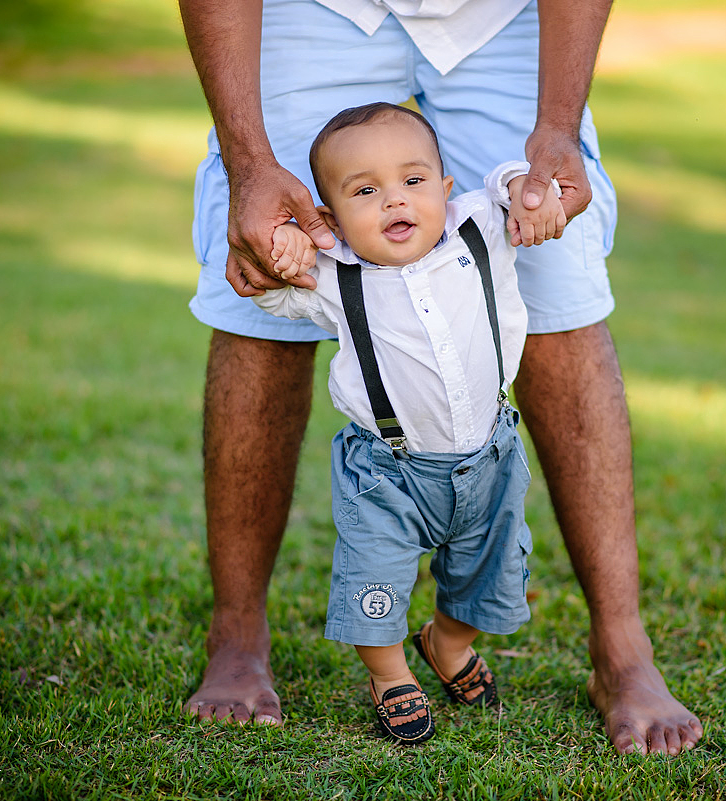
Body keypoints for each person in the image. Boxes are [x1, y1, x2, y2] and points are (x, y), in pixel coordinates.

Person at [178, 0, 704, 756]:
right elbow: (273, 268)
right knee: (264, 273)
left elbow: (522, 197)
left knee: (558, 276)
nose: (393, 201)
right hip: (314, 10)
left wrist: (557, 126)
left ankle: (623, 649)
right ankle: (236, 635)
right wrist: (250, 161)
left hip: (501, 16)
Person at [252, 102, 564, 743]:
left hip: (490, 456)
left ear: (446, 191)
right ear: (331, 220)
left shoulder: (478, 229)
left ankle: (447, 644)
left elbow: (515, 180)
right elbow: (271, 288)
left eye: (413, 181)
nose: (394, 201)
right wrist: (280, 251)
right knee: (375, 574)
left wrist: (524, 192)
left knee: (490, 571)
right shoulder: (336, 275)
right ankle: (391, 674)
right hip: (386, 470)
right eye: (365, 191)